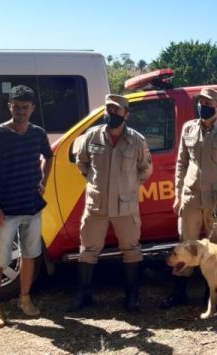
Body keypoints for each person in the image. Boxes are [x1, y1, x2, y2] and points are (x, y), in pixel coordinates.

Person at [161, 87, 217, 309]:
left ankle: (212, 294)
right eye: (201, 103)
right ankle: (179, 292)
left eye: (209, 104)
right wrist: (178, 194)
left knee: (215, 249)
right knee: (185, 246)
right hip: (190, 199)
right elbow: (181, 163)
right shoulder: (188, 128)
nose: (203, 107)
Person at [68, 94, 153, 313]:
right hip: (96, 204)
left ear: (126, 114)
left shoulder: (137, 140)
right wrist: (97, 184)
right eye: (109, 109)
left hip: (126, 205)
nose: (111, 113)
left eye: (116, 110)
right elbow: (82, 163)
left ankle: (132, 297)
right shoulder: (91, 136)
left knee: (131, 250)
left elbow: (145, 169)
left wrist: (128, 186)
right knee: (88, 249)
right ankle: (84, 295)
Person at [0, 85, 52, 327]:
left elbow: (49, 156)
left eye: (25, 107)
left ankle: (25, 299)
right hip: (6, 208)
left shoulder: (38, 133)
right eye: (16, 107)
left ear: (32, 108)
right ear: (9, 106)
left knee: (29, 255)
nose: (20, 111)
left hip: (32, 207)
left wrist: (44, 181)